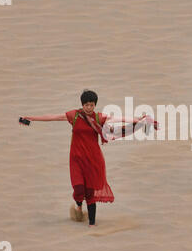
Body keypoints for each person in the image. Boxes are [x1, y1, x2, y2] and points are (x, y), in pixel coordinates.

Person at [20, 90, 158, 226]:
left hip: (93, 159)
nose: (89, 108)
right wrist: (32, 118)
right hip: (76, 158)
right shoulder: (74, 116)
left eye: (91, 105)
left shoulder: (98, 118)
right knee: (79, 188)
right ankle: (79, 207)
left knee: (90, 193)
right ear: (82, 104)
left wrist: (140, 121)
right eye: (86, 105)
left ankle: (92, 225)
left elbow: (119, 118)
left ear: (95, 105)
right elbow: (54, 117)